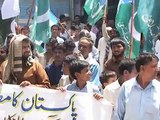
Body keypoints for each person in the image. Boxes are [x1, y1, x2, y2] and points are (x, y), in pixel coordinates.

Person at [113, 53, 160, 120]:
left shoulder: (158, 88)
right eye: (154, 66)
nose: (157, 69)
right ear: (142, 68)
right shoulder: (126, 87)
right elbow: (117, 115)